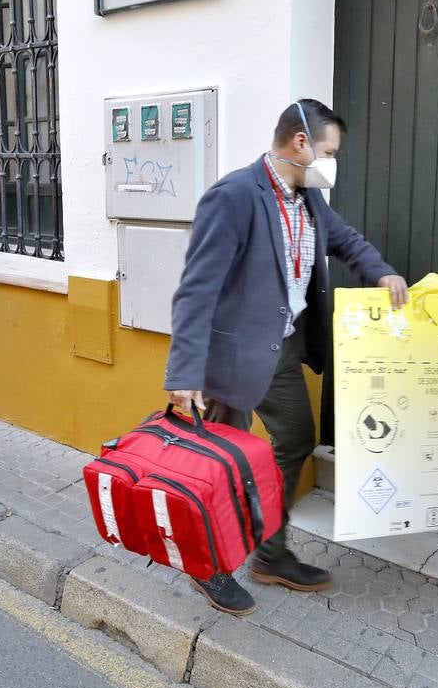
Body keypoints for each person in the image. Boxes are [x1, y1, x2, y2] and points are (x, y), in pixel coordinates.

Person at [165, 98, 409, 616]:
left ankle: (269, 555)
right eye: (329, 150)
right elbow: (196, 290)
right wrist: (183, 372)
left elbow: (346, 241)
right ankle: (208, 567)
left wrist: (382, 271)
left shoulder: (307, 198)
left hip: (281, 350)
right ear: (300, 143)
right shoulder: (233, 196)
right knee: (221, 466)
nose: (331, 161)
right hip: (231, 359)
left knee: (295, 439)